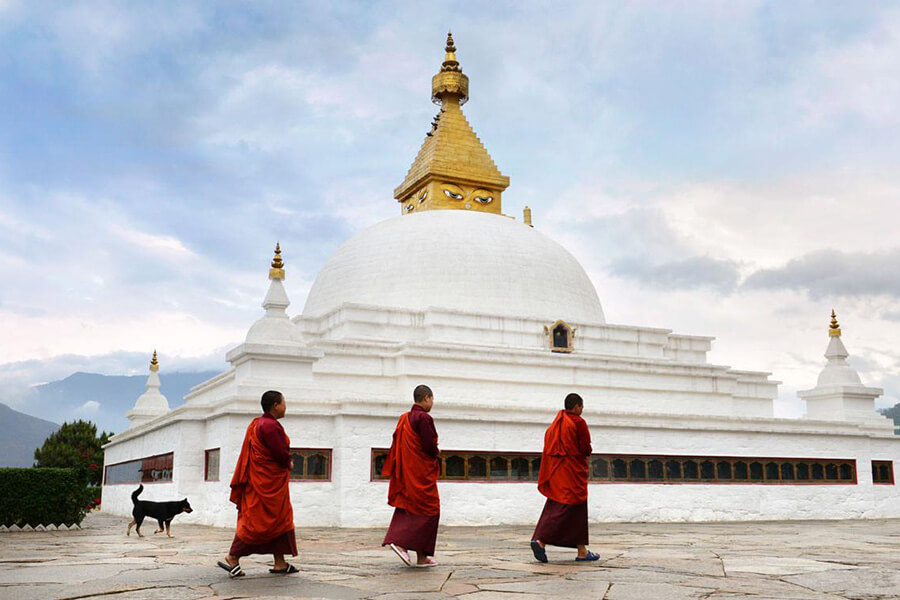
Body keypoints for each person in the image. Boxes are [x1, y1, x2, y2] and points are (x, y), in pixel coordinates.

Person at [218, 390, 298, 577]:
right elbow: (279, 454)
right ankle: (232, 556)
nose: (286, 406)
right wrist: (289, 462)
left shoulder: (257, 424)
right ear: (275, 406)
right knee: (256, 523)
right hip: (267, 485)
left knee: (279, 521)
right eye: (284, 402)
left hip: (264, 482)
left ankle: (280, 562)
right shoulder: (270, 426)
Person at [530, 393, 601, 563]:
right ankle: (540, 541)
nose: (582, 410)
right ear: (577, 406)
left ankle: (582, 551)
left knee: (563, 507)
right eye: (581, 407)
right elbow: (585, 448)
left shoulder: (556, 423)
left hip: (558, 472)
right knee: (565, 509)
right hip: (572, 473)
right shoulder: (578, 422)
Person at [382, 384, 441, 567]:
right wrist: (437, 452)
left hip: (408, 472)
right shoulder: (424, 418)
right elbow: (429, 446)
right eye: (432, 399)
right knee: (431, 510)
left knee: (409, 509)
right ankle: (401, 544)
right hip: (420, 474)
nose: (432, 403)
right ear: (426, 398)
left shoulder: (404, 418)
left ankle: (422, 557)